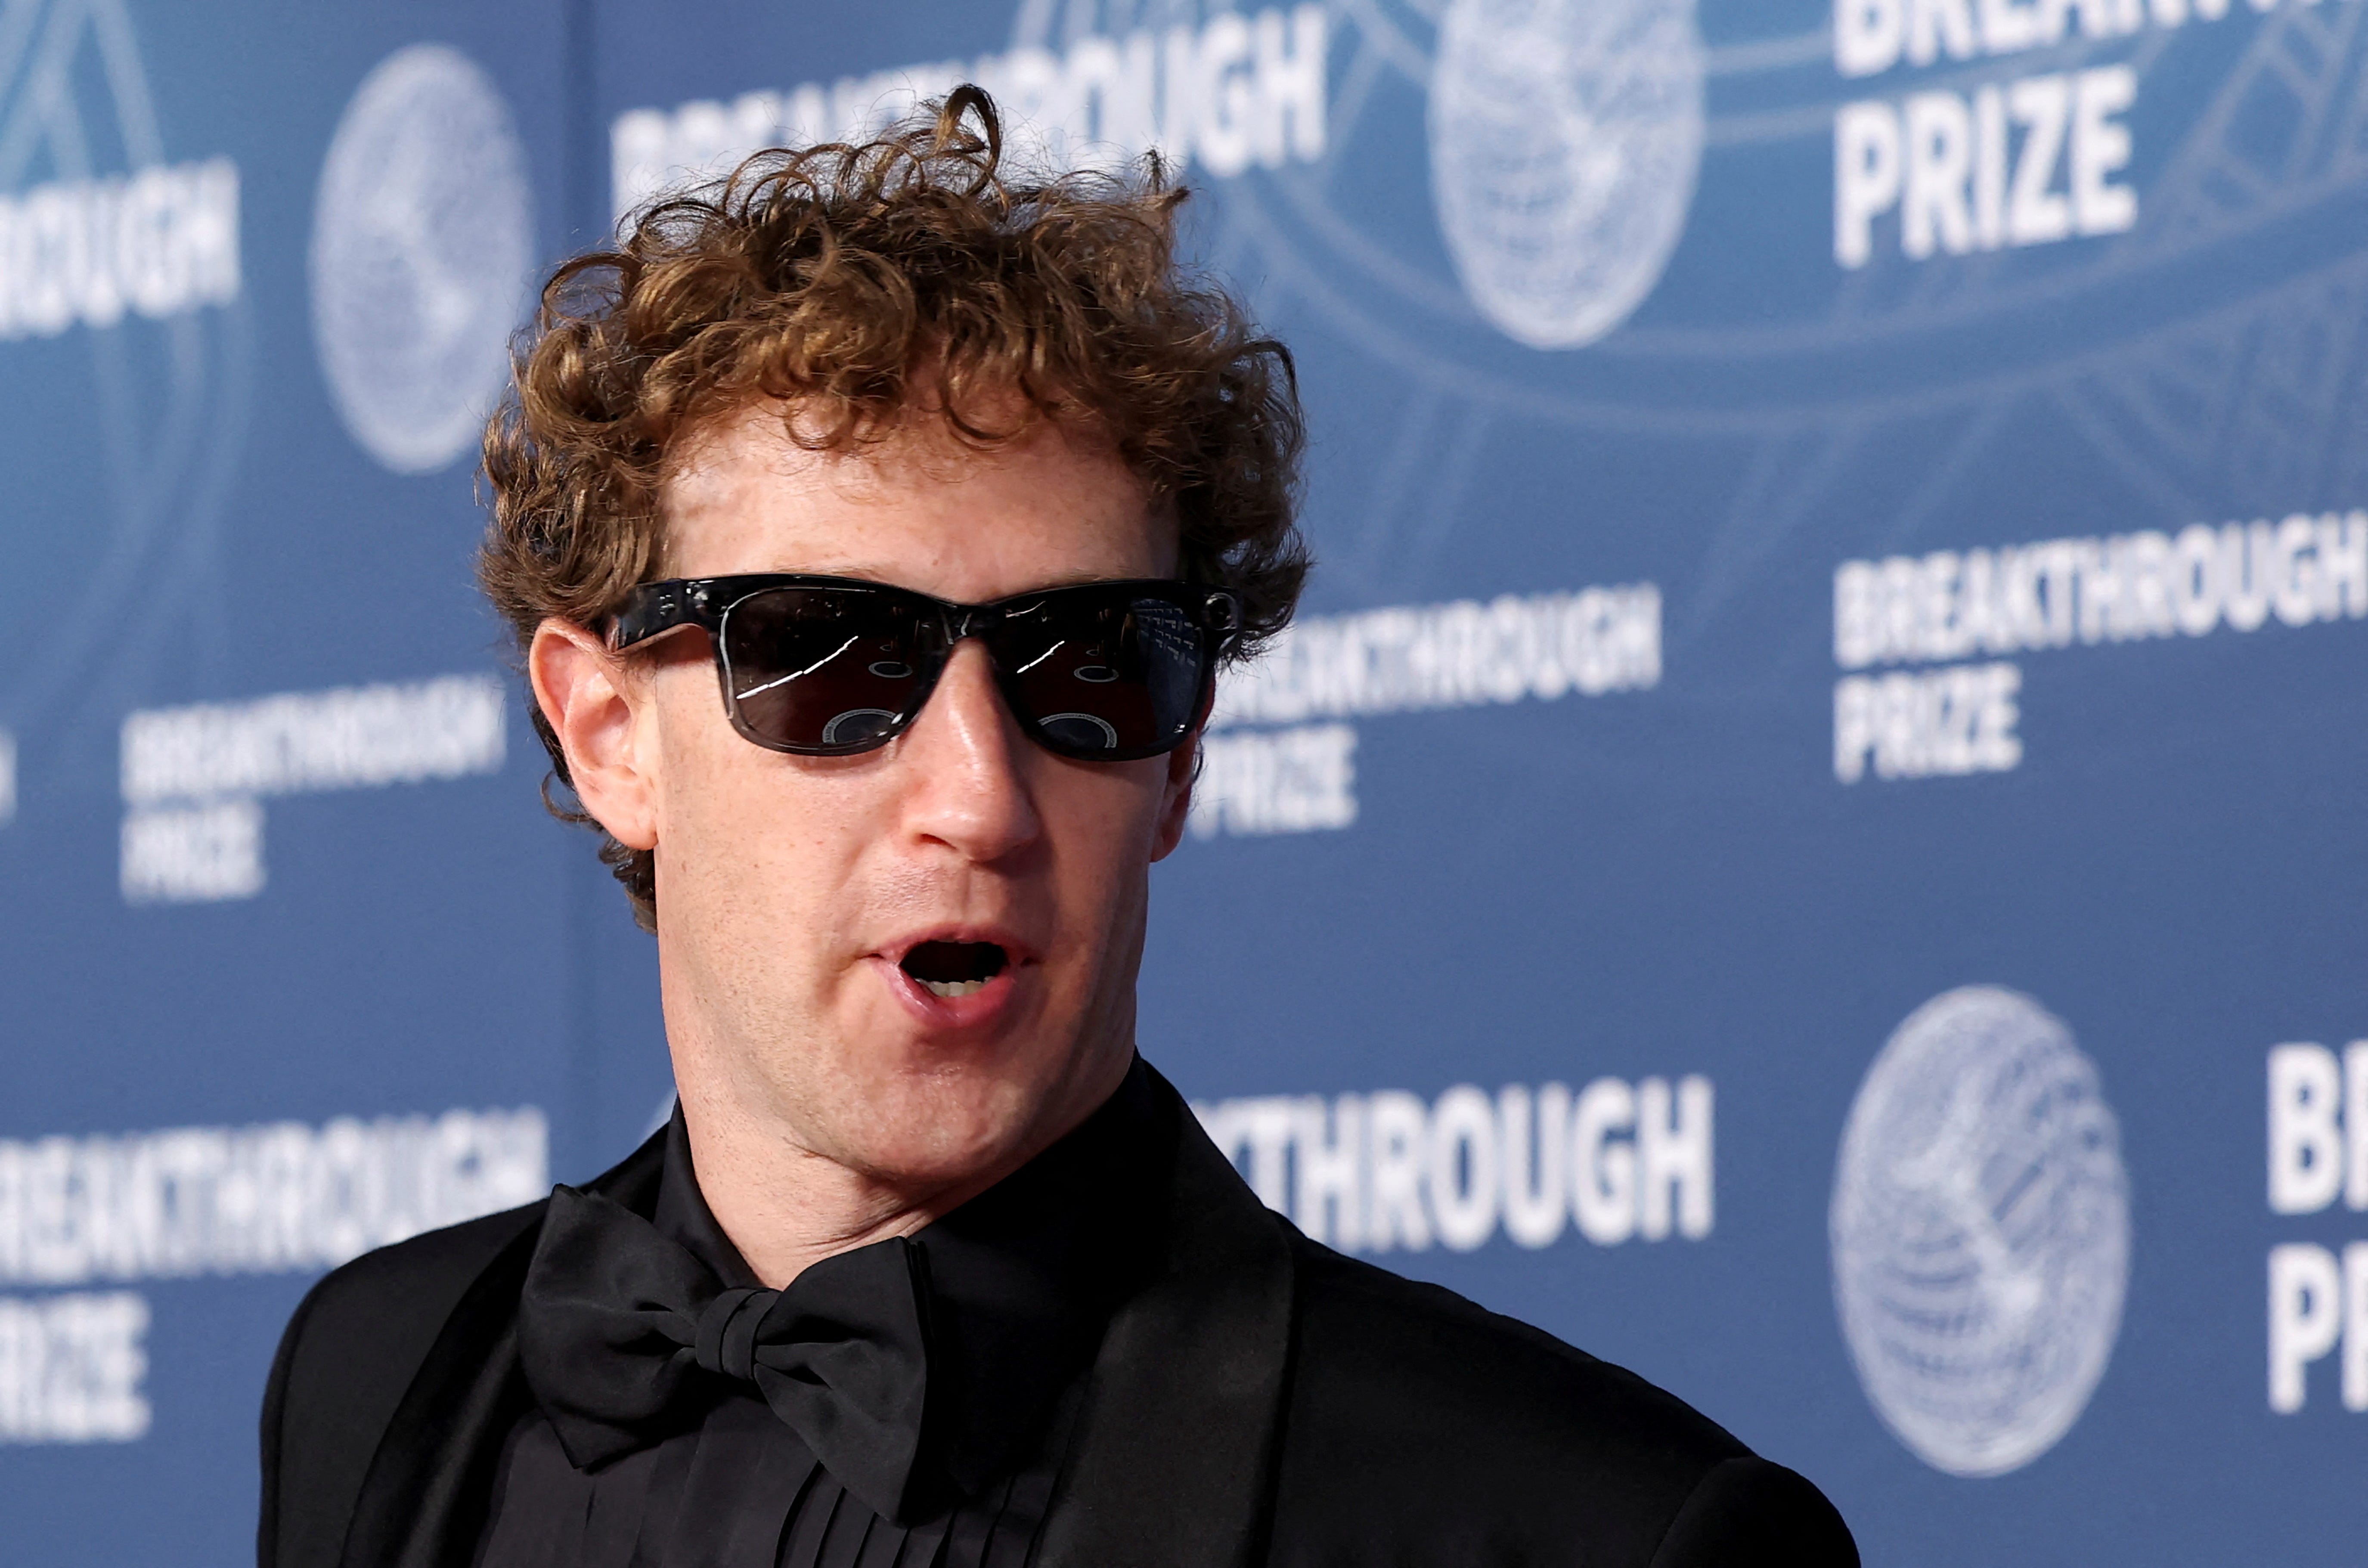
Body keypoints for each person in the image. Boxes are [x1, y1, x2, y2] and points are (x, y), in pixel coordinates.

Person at [257, 90, 1857, 1568]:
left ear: (1180, 759)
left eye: (1087, 666)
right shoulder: (379, 1375)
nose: (978, 796)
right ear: (610, 734)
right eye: (831, 660)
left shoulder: (1596, 1531)